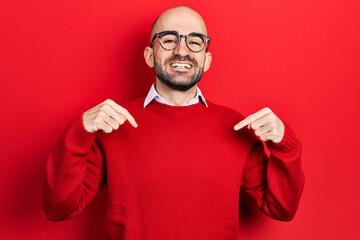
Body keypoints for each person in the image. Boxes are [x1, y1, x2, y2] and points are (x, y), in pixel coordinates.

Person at [43, 5, 305, 240]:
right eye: (168, 40)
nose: (182, 50)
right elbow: (59, 208)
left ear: (207, 59)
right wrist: (79, 131)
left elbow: (282, 209)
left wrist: (285, 144)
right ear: (149, 55)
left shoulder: (236, 126)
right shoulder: (113, 124)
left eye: (195, 42)